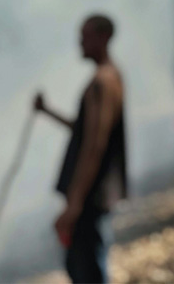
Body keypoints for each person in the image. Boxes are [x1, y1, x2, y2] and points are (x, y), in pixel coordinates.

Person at [34, 14, 127, 284]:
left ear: (103, 37)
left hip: (89, 195)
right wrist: (48, 111)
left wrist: (74, 204)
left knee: (87, 269)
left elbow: (95, 144)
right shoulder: (110, 77)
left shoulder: (103, 82)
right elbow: (85, 129)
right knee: (81, 264)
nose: (80, 43)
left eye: (85, 36)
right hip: (92, 193)